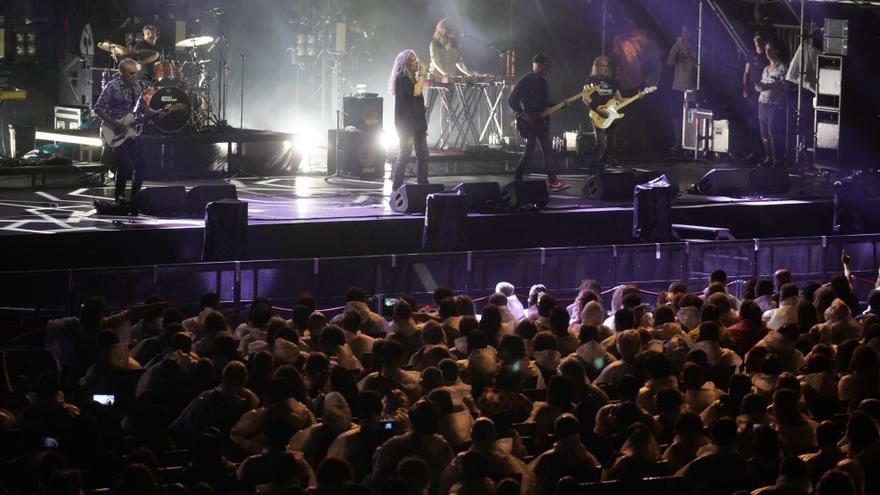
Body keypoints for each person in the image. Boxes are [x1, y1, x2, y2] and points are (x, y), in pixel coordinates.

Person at [94, 58, 164, 205]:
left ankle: (135, 197)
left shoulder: (137, 87)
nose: (134, 76)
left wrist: (156, 112)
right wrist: (115, 123)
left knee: (141, 164)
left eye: (136, 73)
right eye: (131, 73)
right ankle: (119, 197)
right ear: (123, 72)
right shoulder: (112, 87)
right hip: (113, 130)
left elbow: (142, 107)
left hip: (131, 131)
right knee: (125, 166)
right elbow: (98, 108)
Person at [508, 53, 571, 192]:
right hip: (529, 123)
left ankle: (553, 182)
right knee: (529, 151)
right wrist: (523, 114)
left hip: (542, 122)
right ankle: (518, 178)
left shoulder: (543, 82)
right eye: (544, 66)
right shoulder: (525, 80)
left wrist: (561, 104)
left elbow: (547, 101)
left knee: (547, 151)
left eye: (548, 67)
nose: (546, 70)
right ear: (536, 64)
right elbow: (512, 100)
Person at [388, 50, 429, 191]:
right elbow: (416, 92)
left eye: (416, 59)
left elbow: (412, 98)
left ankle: (423, 185)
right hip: (406, 124)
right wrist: (422, 73)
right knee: (405, 153)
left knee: (422, 154)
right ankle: (396, 186)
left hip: (417, 123)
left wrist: (420, 106)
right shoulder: (402, 78)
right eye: (412, 60)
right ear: (405, 63)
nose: (416, 63)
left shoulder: (413, 78)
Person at [583, 56, 623, 173]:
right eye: (602, 66)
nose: (605, 68)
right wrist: (599, 111)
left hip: (610, 116)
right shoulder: (590, 81)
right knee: (600, 144)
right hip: (597, 115)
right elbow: (585, 99)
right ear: (596, 67)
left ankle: (601, 165)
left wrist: (638, 97)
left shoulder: (612, 82)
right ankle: (592, 170)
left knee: (611, 145)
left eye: (606, 66)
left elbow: (620, 100)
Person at [755, 39, 788, 167]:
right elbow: (763, 83)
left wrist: (768, 86)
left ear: (776, 50)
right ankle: (767, 157)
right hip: (762, 103)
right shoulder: (765, 68)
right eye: (766, 50)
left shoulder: (782, 67)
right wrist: (759, 87)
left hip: (774, 105)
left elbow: (784, 85)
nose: (767, 52)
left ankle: (776, 159)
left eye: (770, 49)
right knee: (764, 133)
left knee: (772, 132)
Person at [667, 25, 697, 152]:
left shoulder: (697, 47)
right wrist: (676, 50)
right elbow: (669, 63)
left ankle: (690, 142)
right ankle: (678, 141)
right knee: (676, 115)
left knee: (690, 116)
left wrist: (686, 50)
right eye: (683, 32)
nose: (685, 35)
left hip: (690, 87)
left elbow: (697, 63)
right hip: (677, 86)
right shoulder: (677, 47)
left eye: (687, 32)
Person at [742, 31, 768, 162]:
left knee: (761, 122)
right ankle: (754, 151)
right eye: (755, 39)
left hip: (763, 92)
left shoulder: (766, 54)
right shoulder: (751, 54)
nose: (756, 41)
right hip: (751, 92)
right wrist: (745, 88)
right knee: (751, 121)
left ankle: (765, 152)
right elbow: (746, 72)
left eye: (759, 39)